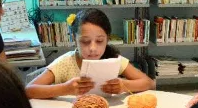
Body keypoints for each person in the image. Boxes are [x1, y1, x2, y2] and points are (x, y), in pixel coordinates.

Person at [26, 8, 155, 99]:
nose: (93, 48)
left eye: (99, 41)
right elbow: (29, 90)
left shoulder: (114, 60)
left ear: (108, 39)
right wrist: (66, 89)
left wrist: (124, 85)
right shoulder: (65, 63)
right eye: (85, 41)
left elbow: (149, 83)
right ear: (74, 38)